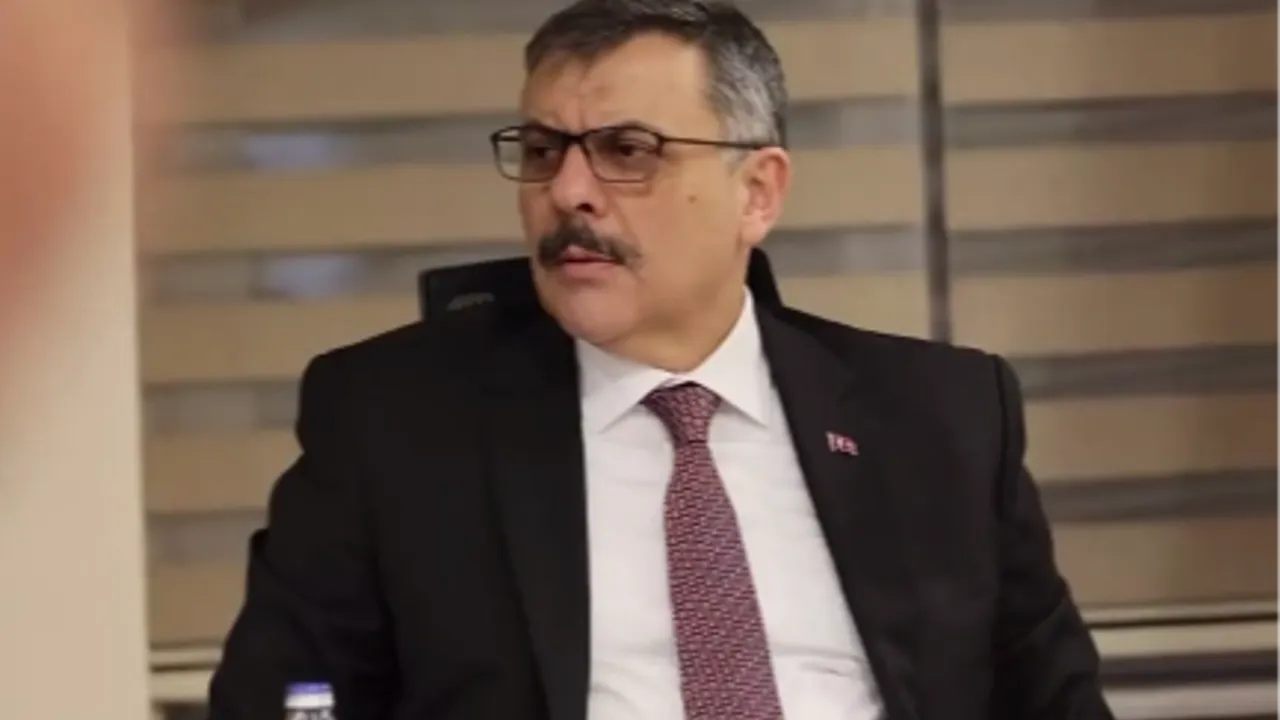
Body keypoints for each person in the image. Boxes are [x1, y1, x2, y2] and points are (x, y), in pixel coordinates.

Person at [209, 1, 1115, 718]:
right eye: (543, 151)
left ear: (757, 192)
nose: (569, 192)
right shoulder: (394, 425)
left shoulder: (940, 416)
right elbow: (281, 700)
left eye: (627, 151)